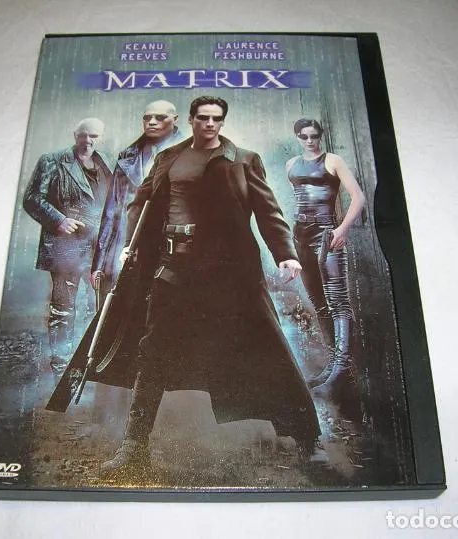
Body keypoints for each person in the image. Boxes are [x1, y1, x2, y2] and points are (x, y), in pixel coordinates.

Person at [98, 96, 326, 477]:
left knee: (268, 348)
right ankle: (134, 446)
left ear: (222, 122)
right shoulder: (169, 158)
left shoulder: (243, 160)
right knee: (153, 353)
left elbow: (268, 210)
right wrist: (133, 244)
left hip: (229, 272)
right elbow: (142, 202)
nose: (209, 124)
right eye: (202, 118)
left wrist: (285, 254)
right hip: (173, 267)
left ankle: (308, 439)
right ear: (190, 120)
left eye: (216, 119)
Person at [23, 118, 112, 372]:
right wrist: (58, 220)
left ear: (101, 137)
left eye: (94, 136)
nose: (88, 140)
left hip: (99, 249)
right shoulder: (52, 161)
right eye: (83, 135)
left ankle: (90, 363)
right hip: (66, 249)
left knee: (98, 306)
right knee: (63, 309)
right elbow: (32, 198)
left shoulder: (107, 163)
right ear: (75, 135)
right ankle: (61, 365)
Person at [285, 119, 365, 391]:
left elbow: (358, 197)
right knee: (318, 302)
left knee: (338, 301)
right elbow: (299, 198)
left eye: (314, 136)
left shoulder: (333, 160)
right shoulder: (291, 165)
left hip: (326, 234)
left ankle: (342, 368)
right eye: (304, 136)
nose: (310, 141)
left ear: (320, 135)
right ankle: (332, 366)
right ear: (297, 137)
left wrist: (342, 229)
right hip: (300, 235)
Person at [90, 100, 185, 295]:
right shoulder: (128, 156)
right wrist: (99, 264)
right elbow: (111, 212)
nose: (152, 122)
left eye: (160, 117)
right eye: (147, 118)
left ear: (175, 119)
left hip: (170, 247)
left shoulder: (193, 152)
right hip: (127, 247)